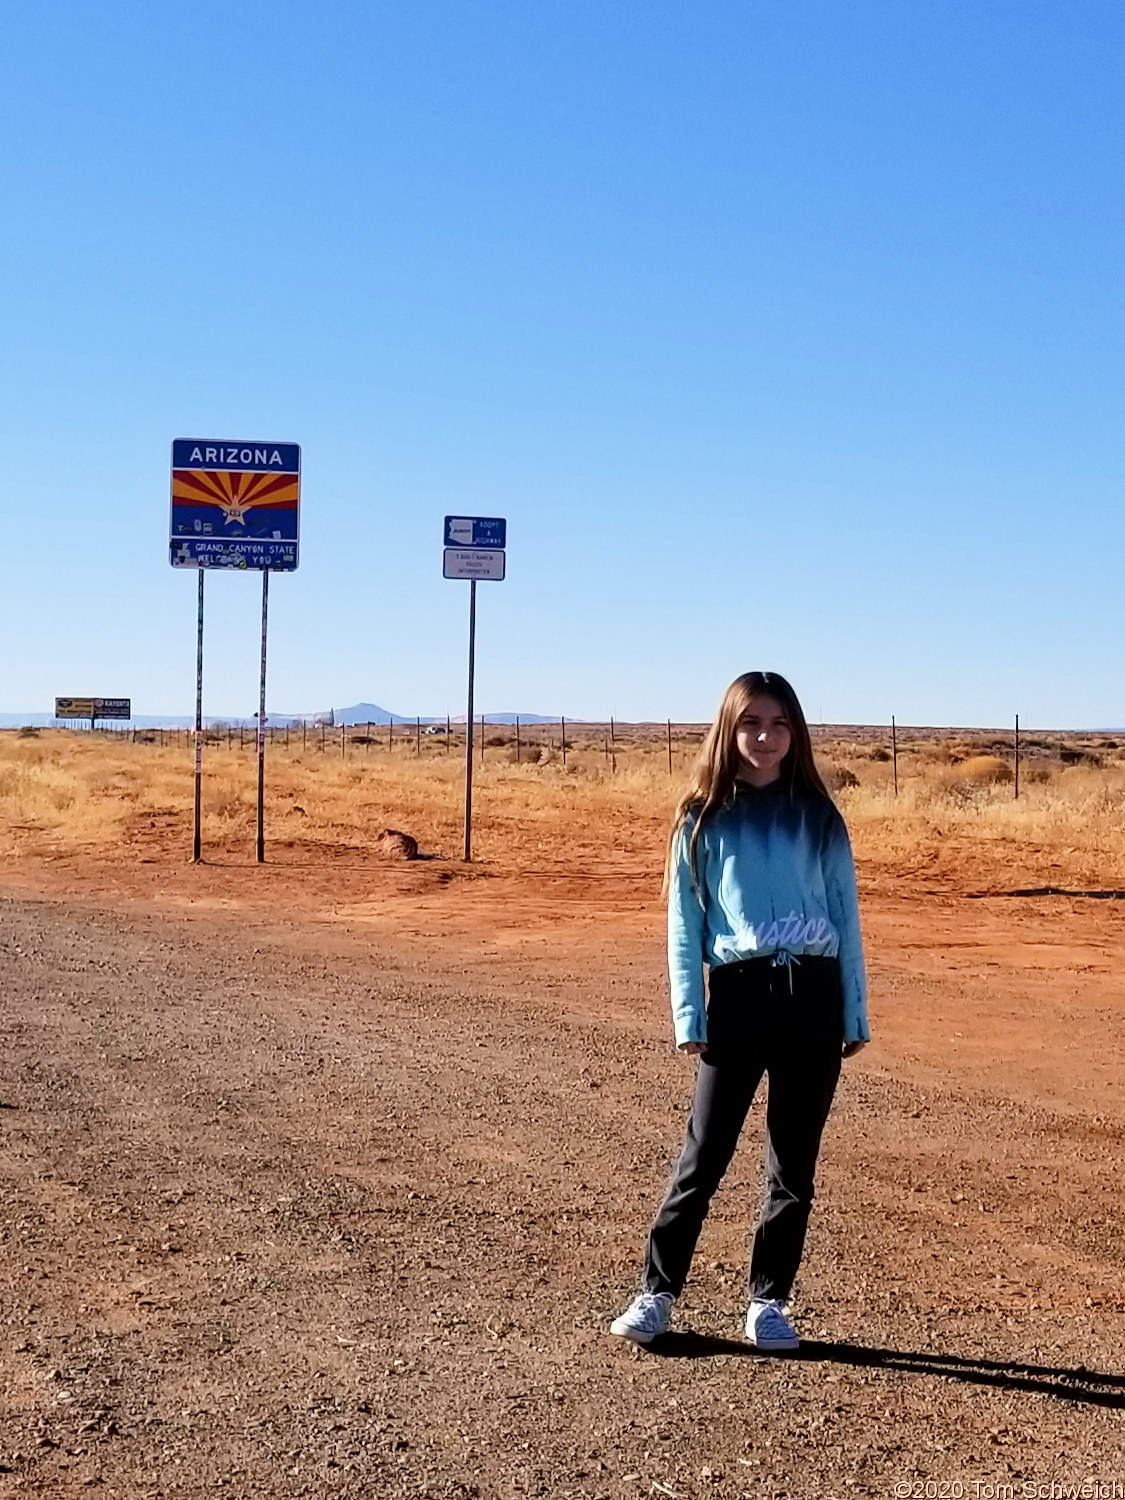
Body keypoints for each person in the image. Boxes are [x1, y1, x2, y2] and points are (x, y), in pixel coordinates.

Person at [610, 671, 869, 1352]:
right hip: (739, 995)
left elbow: (844, 915)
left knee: (793, 1164)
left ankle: (768, 1303)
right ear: (729, 729)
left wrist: (853, 1012)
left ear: (796, 733)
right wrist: (687, 1015)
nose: (765, 737)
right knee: (704, 1155)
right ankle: (656, 1293)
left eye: (779, 724)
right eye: (751, 723)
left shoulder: (818, 816)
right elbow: (683, 925)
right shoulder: (700, 815)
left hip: (811, 997)